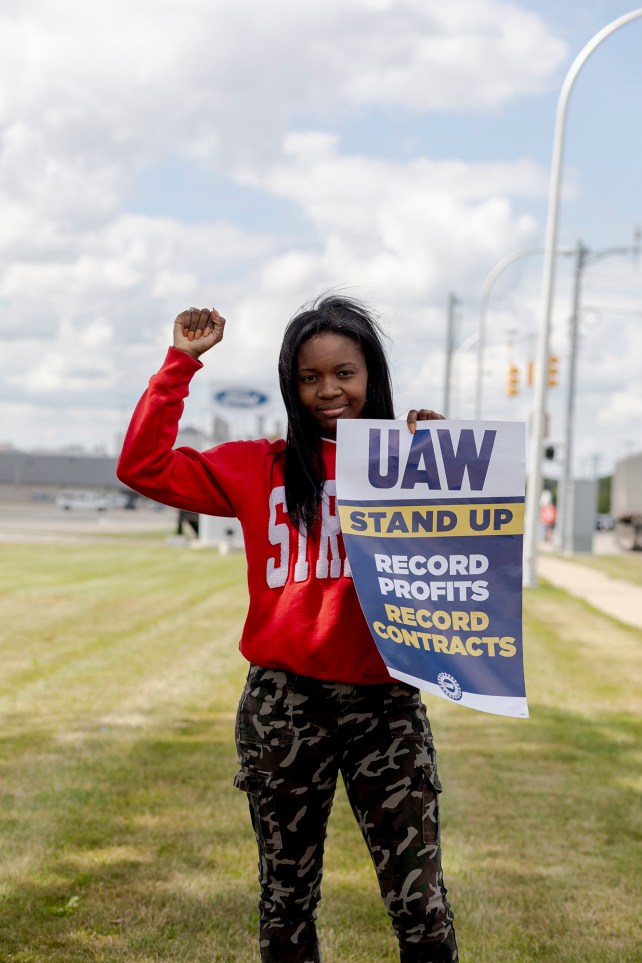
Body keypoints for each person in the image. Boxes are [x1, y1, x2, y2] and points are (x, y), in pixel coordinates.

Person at [117, 295, 458, 963]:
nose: (329, 388)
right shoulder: (258, 465)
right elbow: (142, 467)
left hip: (384, 706)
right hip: (285, 706)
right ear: (291, 384)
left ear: (372, 376)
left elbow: (472, 553)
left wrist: (447, 459)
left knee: (420, 901)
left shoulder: (409, 462)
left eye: (345, 372)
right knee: (287, 895)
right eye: (310, 377)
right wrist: (179, 365)